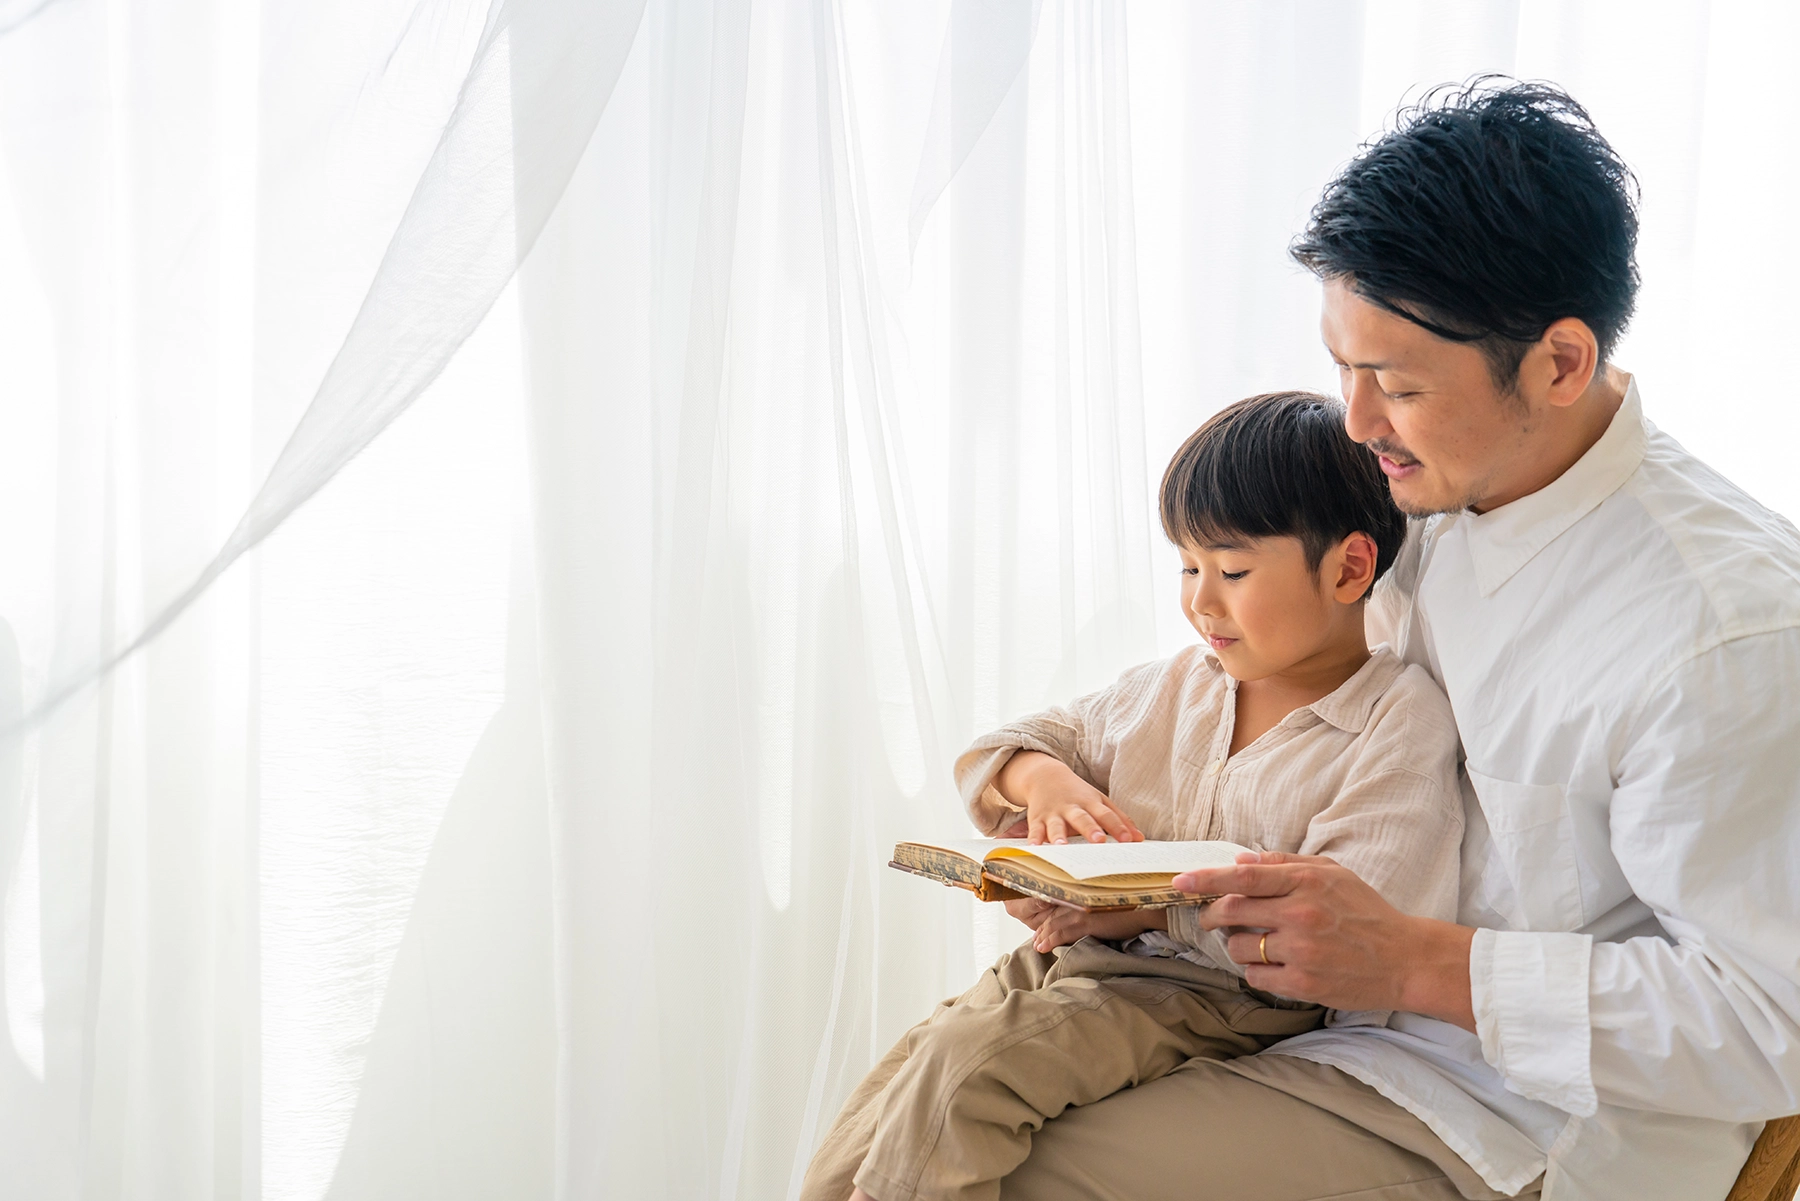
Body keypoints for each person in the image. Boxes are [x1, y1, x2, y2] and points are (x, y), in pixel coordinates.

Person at [999, 80, 1800, 1201]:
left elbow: (1774, 1021)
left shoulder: (1724, 630)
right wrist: (1115, 869)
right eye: (1344, 368)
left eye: (1397, 384)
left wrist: (1421, 960)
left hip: (1520, 1116)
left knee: (1021, 1173)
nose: (1357, 420)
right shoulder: (1406, 497)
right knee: (940, 1110)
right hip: (1310, 1025)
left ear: (1561, 363)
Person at [801, 391, 1468, 1201]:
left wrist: (1146, 912)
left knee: (964, 1075)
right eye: (1187, 567)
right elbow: (999, 749)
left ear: (1348, 568)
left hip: (1211, 996)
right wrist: (1047, 785)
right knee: (873, 1118)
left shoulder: (1395, 720)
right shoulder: (1176, 685)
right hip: (1073, 960)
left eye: (1231, 570)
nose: (1199, 600)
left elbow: (1355, 923)